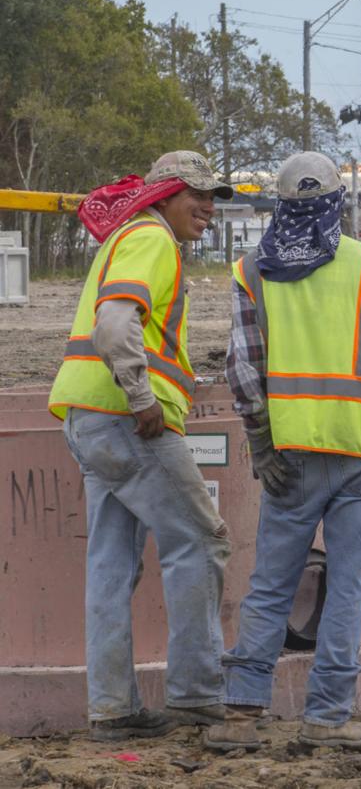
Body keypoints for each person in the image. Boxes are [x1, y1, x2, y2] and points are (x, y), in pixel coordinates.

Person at [205, 152, 361, 751]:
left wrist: (259, 441)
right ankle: (327, 715)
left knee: (273, 581)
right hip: (360, 451)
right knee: (348, 585)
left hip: (292, 454)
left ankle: (241, 713)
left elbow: (243, 368)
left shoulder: (254, 271)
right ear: (339, 204)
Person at [48, 151, 234, 741]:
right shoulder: (152, 238)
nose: (207, 208)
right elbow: (115, 323)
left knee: (110, 565)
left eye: (213, 197)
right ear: (163, 197)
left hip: (86, 417)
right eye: (196, 196)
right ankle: (197, 695)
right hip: (128, 421)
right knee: (201, 541)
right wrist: (141, 396)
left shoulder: (125, 236)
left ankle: (113, 708)